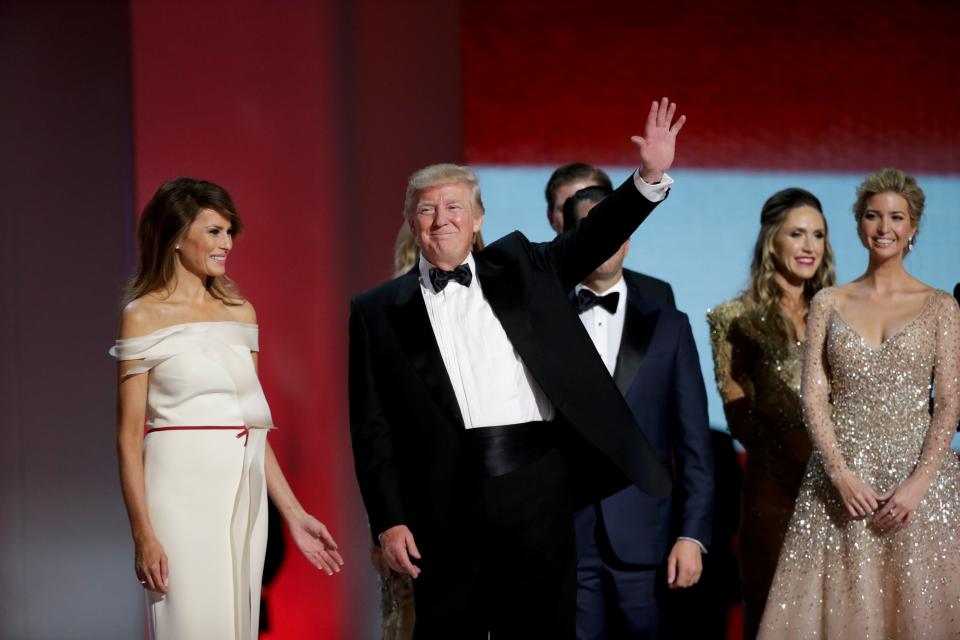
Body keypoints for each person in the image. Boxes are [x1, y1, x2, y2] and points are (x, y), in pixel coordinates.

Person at [349, 98, 685, 638]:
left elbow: (592, 236)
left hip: (535, 483)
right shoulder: (375, 311)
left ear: (478, 218)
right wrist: (388, 520)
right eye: (429, 209)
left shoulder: (524, 266)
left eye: (455, 207)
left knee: (541, 630)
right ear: (412, 220)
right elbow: (372, 430)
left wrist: (649, 176)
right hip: (441, 498)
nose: (443, 220)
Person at [113, 178, 343, 640]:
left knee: (237, 625)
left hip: (242, 492)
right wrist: (143, 534)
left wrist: (295, 515)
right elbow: (126, 436)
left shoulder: (241, 313)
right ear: (177, 237)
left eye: (229, 231)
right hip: (176, 491)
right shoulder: (142, 315)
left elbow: (254, 428)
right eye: (214, 231)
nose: (227, 243)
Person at [758, 169, 960, 638]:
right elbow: (813, 396)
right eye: (872, 216)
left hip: (920, 494)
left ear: (913, 228)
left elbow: (949, 402)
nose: (883, 227)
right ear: (858, 224)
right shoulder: (828, 301)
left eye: (896, 217)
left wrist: (917, 485)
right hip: (840, 492)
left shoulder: (942, 306)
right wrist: (841, 473)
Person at [564, 187, 714, 639]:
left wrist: (692, 536)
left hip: (646, 538)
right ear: (571, 236)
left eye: (616, 226)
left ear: (629, 235)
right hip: (563, 537)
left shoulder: (670, 327)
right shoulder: (541, 319)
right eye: (593, 228)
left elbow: (694, 446)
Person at [706, 188, 836, 639]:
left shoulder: (843, 315)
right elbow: (739, 416)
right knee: (775, 621)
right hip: (775, 494)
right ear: (771, 242)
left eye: (818, 235)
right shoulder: (734, 318)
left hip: (844, 496)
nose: (809, 246)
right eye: (796, 234)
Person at [547, 162, 676, 308]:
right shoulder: (535, 288)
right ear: (550, 216)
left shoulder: (656, 294)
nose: (580, 215)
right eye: (566, 207)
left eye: (596, 210)